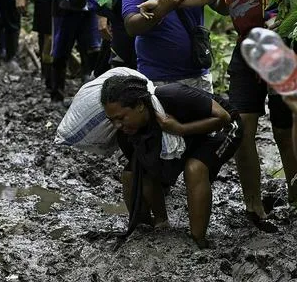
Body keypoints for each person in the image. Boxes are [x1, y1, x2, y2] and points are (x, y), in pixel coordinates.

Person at [138, 0, 297, 230]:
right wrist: (164, 4)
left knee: (282, 129)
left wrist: (286, 18)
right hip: (246, 51)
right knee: (243, 128)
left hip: (281, 51)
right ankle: (254, 203)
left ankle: (295, 197)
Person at [100, 75, 242, 248]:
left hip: (221, 127)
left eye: (121, 118)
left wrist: (180, 129)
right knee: (132, 172)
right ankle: (159, 223)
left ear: (139, 105)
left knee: (194, 168)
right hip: (186, 136)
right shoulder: (126, 132)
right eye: (111, 120)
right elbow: (145, 171)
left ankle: (199, 239)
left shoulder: (173, 95)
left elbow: (224, 118)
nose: (116, 125)